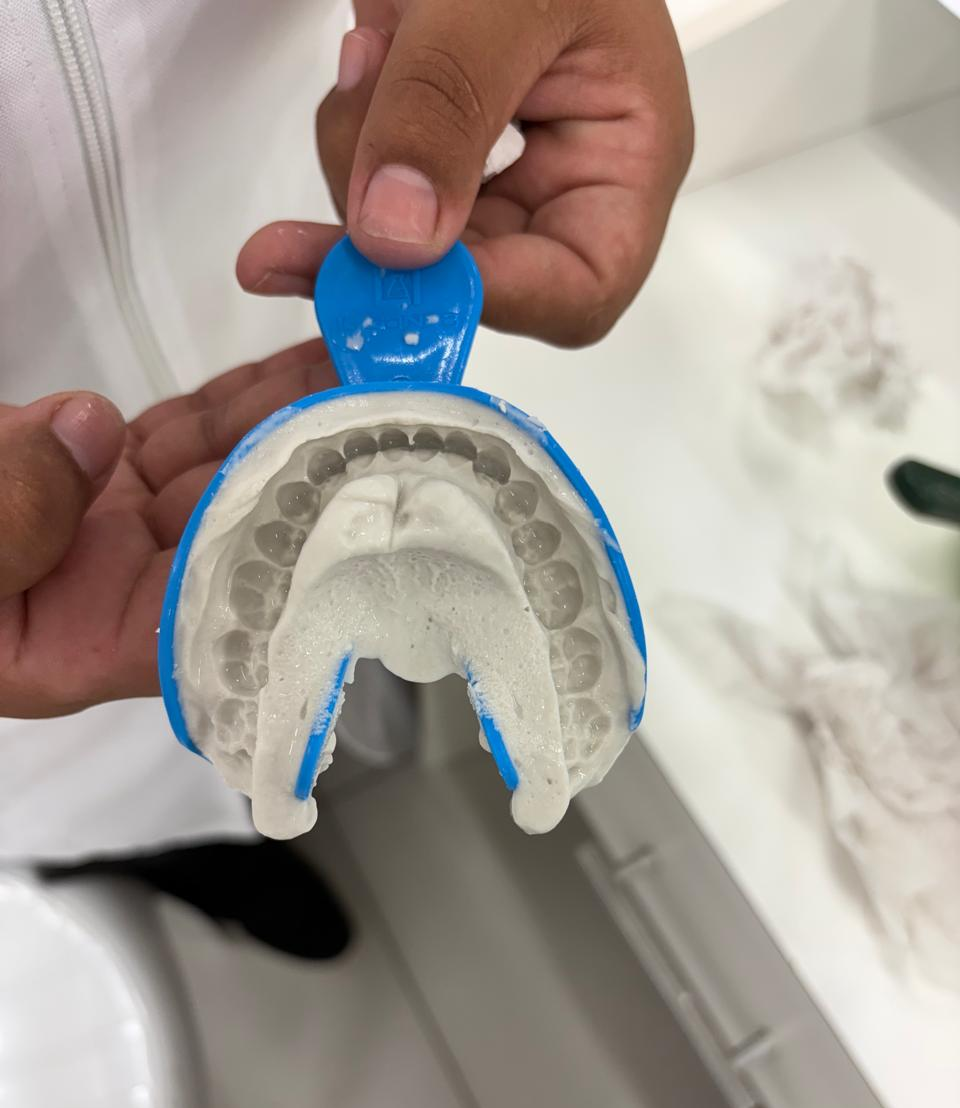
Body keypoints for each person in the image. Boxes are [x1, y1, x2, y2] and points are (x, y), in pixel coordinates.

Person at [0, 0, 692, 893]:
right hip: (57, 425)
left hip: (260, 220)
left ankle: (221, 836)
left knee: (211, 722)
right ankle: (157, 853)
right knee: (104, 773)